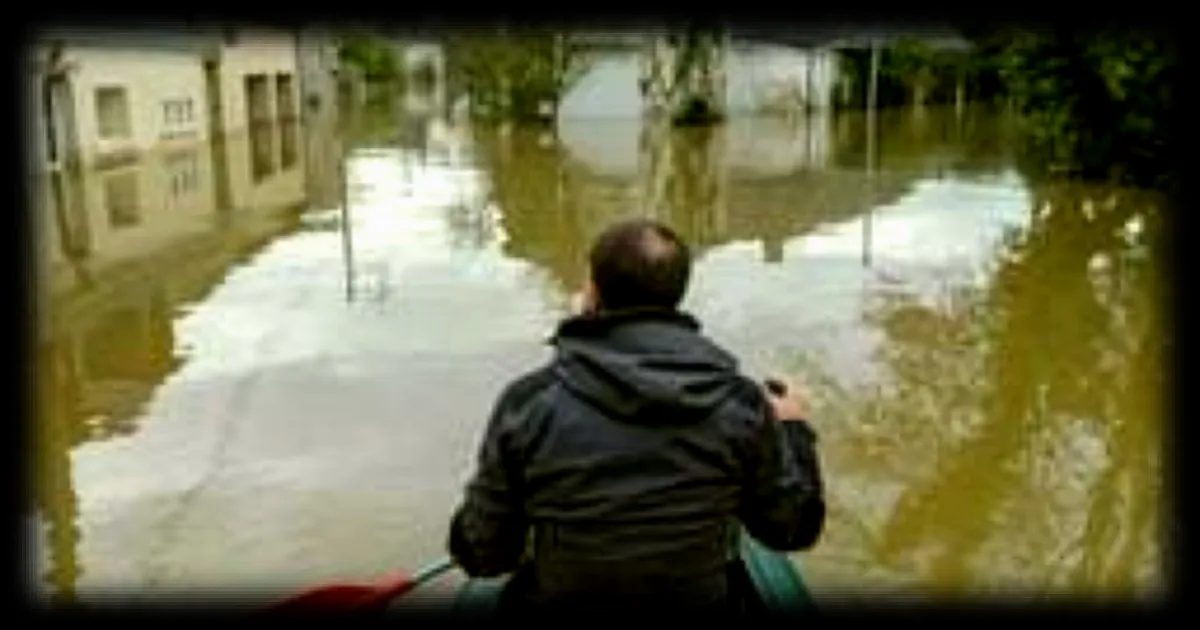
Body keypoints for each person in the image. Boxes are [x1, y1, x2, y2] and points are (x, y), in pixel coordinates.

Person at [447, 218, 826, 616]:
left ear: (591, 288)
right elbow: (793, 529)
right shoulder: (741, 406)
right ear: (679, 294)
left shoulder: (529, 403)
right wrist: (793, 428)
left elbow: (482, 557)